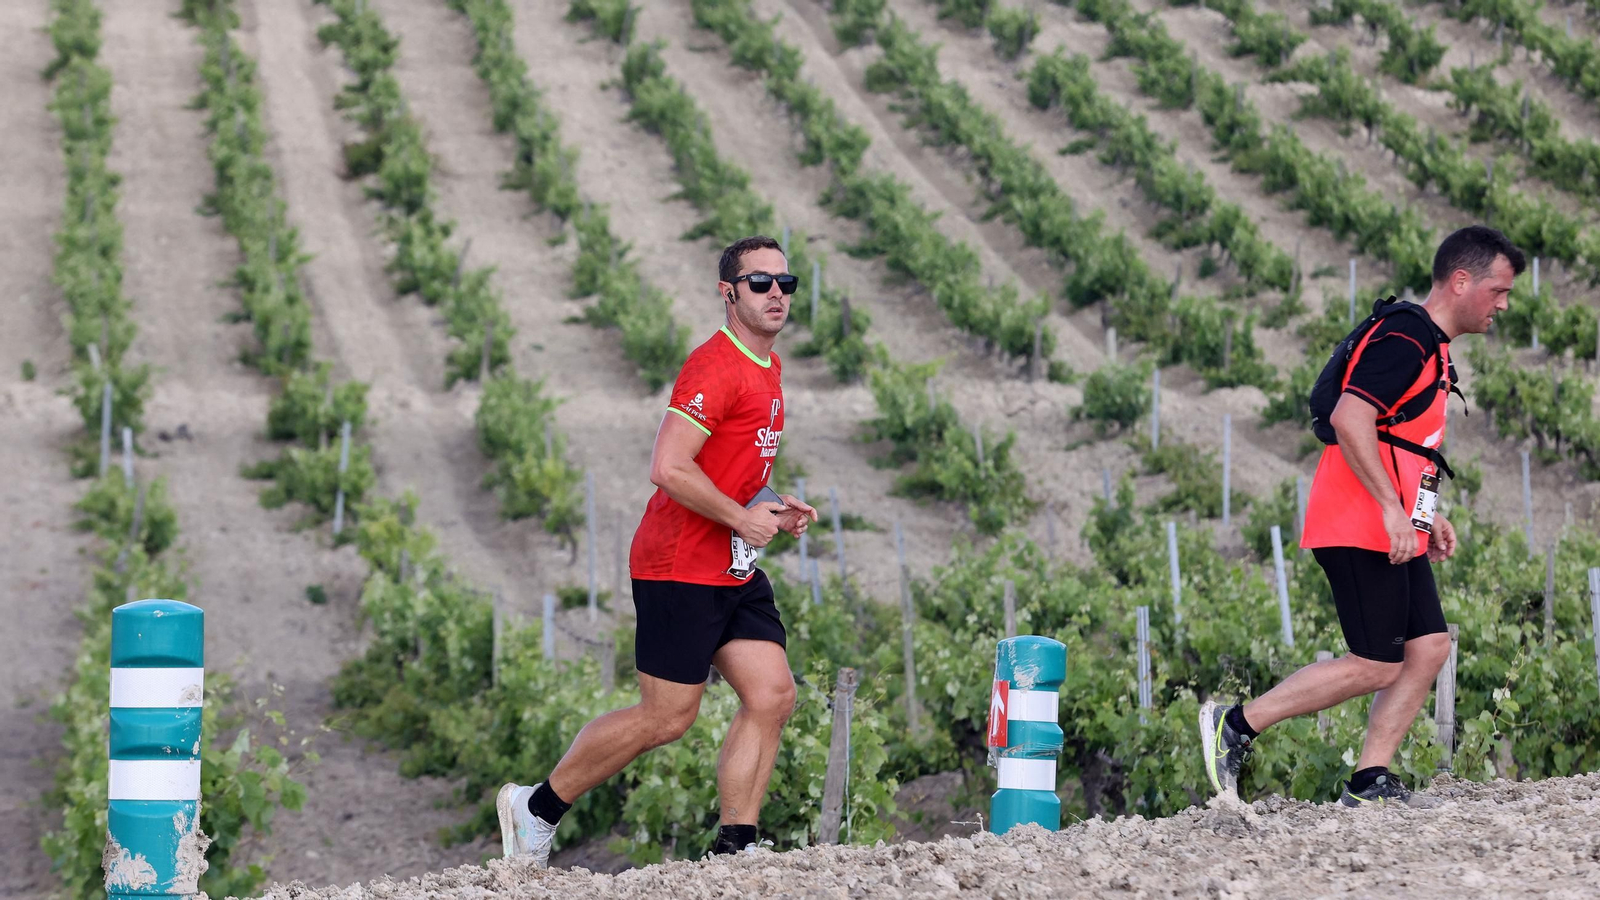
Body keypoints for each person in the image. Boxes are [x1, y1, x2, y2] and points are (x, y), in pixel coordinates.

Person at [496, 235, 819, 866]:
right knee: (667, 717)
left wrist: (771, 505)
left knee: (773, 695)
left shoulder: (768, 367)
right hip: (680, 565)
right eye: (760, 283)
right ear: (729, 293)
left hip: (731, 565)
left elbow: (730, 467)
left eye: (786, 283)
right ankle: (535, 809)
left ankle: (735, 848)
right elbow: (668, 466)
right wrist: (739, 518)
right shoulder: (715, 366)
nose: (776, 293)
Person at [1199, 225, 1524, 808]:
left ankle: (1370, 779)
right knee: (1376, 662)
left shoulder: (1432, 347)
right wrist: (1393, 509)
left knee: (1429, 646)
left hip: (1391, 524)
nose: (1503, 304)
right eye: (1499, 290)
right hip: (1358, 520)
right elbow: (1350, 420)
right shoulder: (1406, 339)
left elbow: (1406, 443)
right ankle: (1237, 724)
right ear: (1461, 280)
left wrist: (1426, 515)